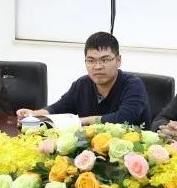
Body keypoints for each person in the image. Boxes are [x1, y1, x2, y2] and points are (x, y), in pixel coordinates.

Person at [17, 32, 150, 126]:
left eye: (105, 60)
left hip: (134, 152)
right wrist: (35, 114)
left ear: (118, 60)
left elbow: (124, 118)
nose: (97, 66)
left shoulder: (133, 85)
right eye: (91, 60)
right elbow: (60, 107)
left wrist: (82, 121)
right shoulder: (82, 84)